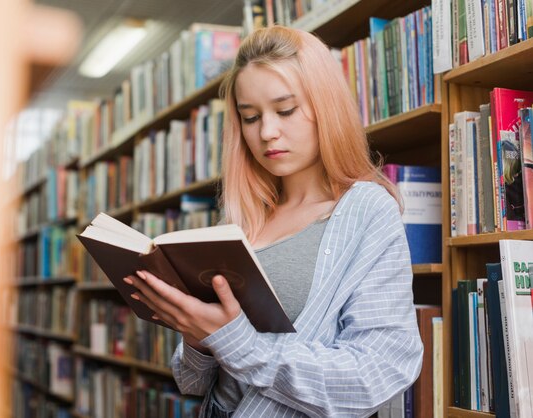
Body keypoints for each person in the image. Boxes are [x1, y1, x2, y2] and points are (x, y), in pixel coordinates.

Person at [125, 26, 423, 417]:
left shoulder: (367, 211)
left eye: (285, 111)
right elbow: (192, 381)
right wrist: (195, 334)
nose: (267, 132)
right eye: (250, 117)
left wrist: (235, 341)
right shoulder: (242, 216)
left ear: (326, 107)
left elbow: (375, 374)